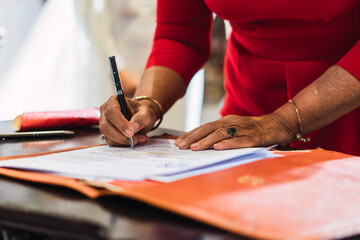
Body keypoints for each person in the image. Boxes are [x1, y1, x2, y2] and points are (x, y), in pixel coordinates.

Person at [99, 1, 360, 156]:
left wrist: (283, 121)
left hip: (346, 100)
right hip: (247, 112)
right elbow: (179, 34)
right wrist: (148, 102)